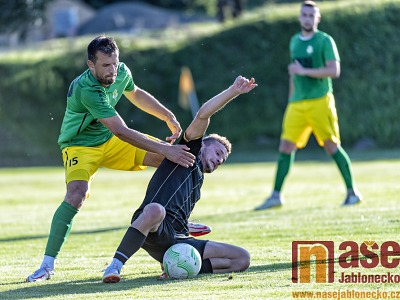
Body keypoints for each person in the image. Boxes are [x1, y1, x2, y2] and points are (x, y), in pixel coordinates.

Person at [26, 35, 207, 282]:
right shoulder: (86, 88)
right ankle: (46, 266)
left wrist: (167, 115)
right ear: (91, 65)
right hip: (80, 147)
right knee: (76, 194)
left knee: (179, 160)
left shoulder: (120, 71)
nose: (112, 70)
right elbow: (121, 130)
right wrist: (165, 149)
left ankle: (180, 220)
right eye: (105, 66)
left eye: (115, 63)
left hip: (111, 141)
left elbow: (136, 93)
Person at [102, 75, 257, 283]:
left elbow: (177, 212)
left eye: (223, 159)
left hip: (177, 240)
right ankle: (114, 266)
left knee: (241, 259)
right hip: (154, 227)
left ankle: (176, 269)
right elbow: (203, 114)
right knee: (156, 210)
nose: (220, 160)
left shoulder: (198, 184)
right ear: (202, 145)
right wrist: (233, 91)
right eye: (218, 152)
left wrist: (188, 226)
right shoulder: (186, 153)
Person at [255, 1, 362, 210]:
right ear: (299, 17)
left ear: (318, 18)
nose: (307, 18)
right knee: (285, 147)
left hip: (320, 100)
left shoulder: (325, 40)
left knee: (331, 146)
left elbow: (334, 70)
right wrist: (290, 99)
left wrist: (305, 72)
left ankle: (352, 192)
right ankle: (276, 196)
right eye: (304, 14)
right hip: (296, 104)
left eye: (311, 15)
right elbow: (293, 73)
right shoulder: (294, 41)